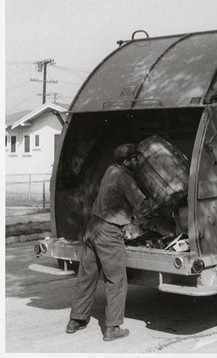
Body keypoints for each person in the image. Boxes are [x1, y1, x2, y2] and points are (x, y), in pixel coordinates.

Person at [66, 143, 155, 341]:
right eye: (134, 159)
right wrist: (156, 207)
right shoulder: (125, 179)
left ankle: (76, 320)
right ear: (126, 161)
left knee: (86, 276)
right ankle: (113, 328)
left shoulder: (110, 170)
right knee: (116, 279)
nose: (137, 161)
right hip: (108, 233)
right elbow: (143, 206)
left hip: (92, 229)